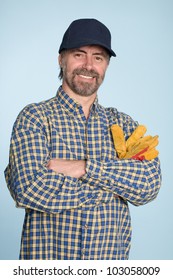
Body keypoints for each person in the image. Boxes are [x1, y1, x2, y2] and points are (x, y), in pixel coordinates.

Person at [5, 18, 161, 260]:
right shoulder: (35, 118)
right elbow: (28, 187)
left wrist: (84, 168)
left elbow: (149, 185)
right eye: (79, 54)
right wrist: (112, 188)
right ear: (61, 59)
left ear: (106, 65)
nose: (89, 65)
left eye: (98, 58)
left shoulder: (125, 124)